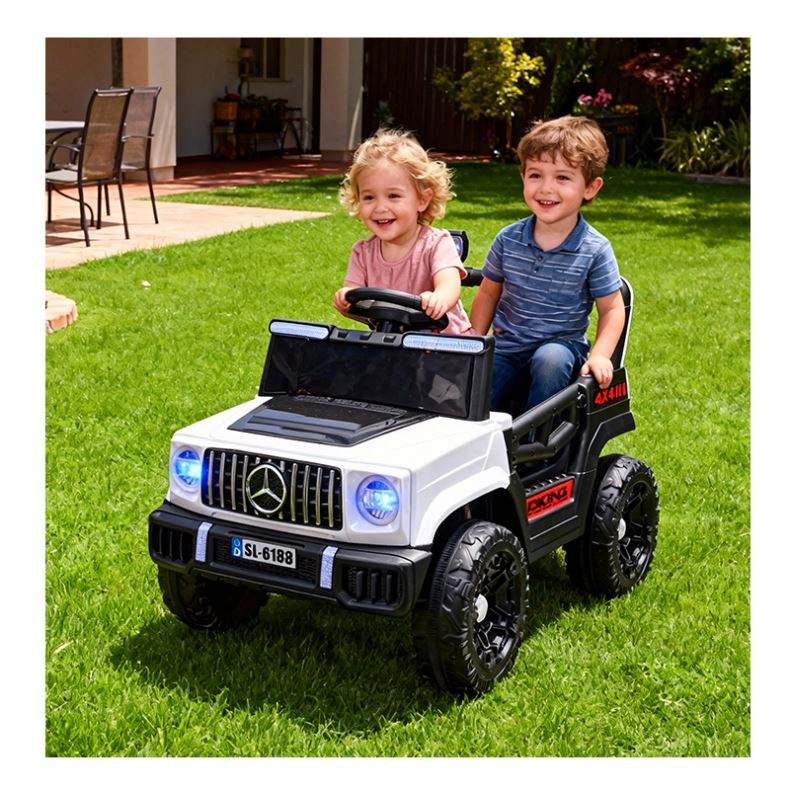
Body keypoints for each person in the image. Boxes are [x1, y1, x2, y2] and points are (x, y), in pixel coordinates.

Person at [470, 116, 625, 412]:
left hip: (561, 348)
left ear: (590, 188)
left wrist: (600, 355)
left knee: (549, 360)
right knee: (477, 389)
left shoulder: (594, 249)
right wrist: (474, 337)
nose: (546, 188)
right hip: (507, 347)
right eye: (535, 175)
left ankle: (539, 438)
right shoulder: (508, 239)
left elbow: (613, 309)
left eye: (562, 178)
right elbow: (488, 292)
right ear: (523, 178)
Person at [333, 129, 472, 334]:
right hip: (391, 342)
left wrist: (439, 298)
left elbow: (449, 284)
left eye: (393, 196)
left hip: (445, 343)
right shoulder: (363, 252)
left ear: (422, 200)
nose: (380, 207)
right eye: (369, 197)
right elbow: (354, 292)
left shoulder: (437, 243)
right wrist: (345, 298)